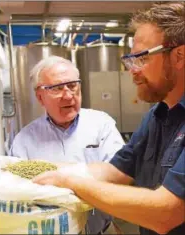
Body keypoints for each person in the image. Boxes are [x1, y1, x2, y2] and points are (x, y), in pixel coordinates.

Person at [33, 2, 185, 235]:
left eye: (142, 58)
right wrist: (33, 171)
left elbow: (166, 213)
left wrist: (72, 183)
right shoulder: (157, 116)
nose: (132, 70)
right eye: (131, 59)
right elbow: (115, 171)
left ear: (179, 56)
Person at [9, 56, 125, 234]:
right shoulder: (24, 141)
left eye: (72, 85)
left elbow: (120, 174)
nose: (68, 95)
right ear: (40, 97)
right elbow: (18, 194)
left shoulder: (101, 124)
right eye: (57, 88)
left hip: (102, 230)